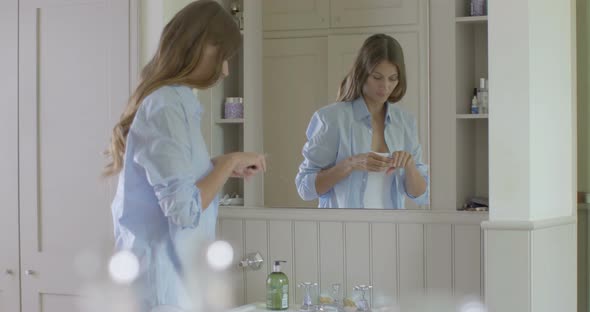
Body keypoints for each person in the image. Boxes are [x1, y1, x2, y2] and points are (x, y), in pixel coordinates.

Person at [103, 1, 265, 310]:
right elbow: (185, 211)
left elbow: (176, 184)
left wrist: (217, 165)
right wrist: (228, 162)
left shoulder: (178, 104)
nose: (226, 69)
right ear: (203, 46)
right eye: (224, 57)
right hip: (160, 289)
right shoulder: (165, 107)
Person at [295, 34, 428, 209]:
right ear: (362, 73)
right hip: (341, 231)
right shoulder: (331, 118)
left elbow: (421, 195)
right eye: (377, 77)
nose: (385, 86)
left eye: (392, 79)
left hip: (392, 231)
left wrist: (410, 165)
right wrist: (350, 164)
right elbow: (304, 188)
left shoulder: (405, 122)